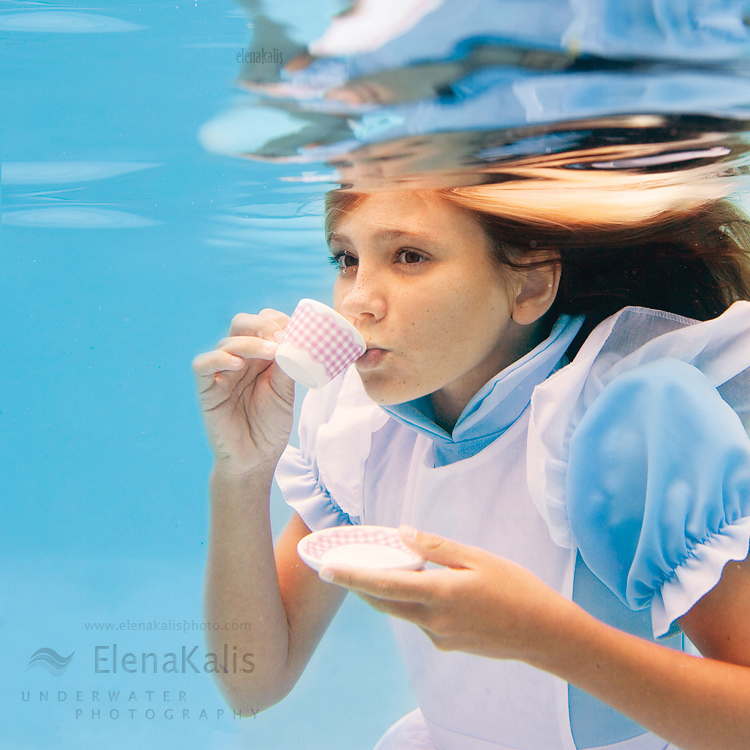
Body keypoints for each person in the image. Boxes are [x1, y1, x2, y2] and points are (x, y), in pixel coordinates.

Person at [192, 185, 750, 750]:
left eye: (409, 257)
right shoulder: (362, 426)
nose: (357, 301)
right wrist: (240, 471)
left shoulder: (625, 426)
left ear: (531, 285)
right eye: (347, 259)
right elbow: (252, 685)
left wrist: (544, 637)